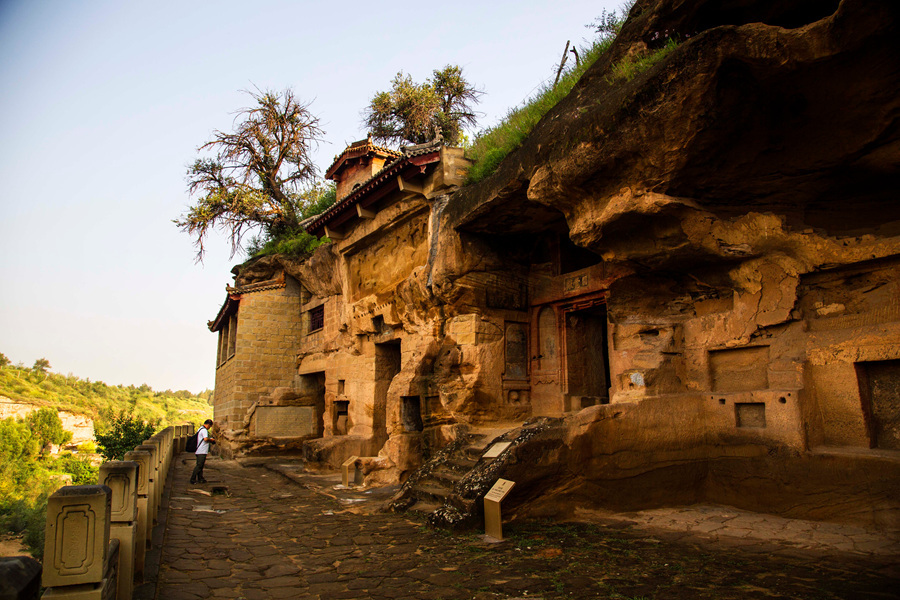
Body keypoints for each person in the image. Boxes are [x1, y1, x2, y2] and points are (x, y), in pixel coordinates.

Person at [190, 419, 215, 484]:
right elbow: (205, 439)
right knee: (199, 466)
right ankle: (192, 479)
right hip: (202, 451)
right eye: (210, 426)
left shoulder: (200, 428)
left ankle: (200, 478)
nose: (209, 428)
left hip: (199, 450)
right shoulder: (204, 430)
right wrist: (211, 440)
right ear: (208, 425)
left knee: (200, 466)